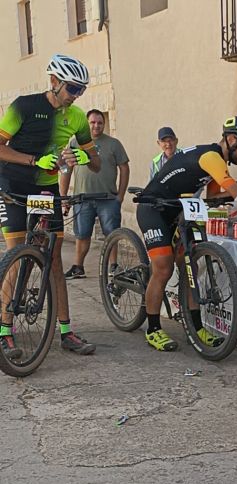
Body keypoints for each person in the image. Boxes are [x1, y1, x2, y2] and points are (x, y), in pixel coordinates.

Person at [137, 116, 237, 352]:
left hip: (179, 210)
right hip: (153, 208)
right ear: (232, 139)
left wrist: (236, 194)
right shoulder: (211, 156)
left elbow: (214, 198)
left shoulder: (218, 163)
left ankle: (196, 327)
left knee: (189, 265)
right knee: (163, 267)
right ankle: (152, 328)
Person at [0, 54, 102, 357]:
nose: (76, 96)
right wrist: (34, 160)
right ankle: (5, 331)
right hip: (13, 185)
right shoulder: (23, 106)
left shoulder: (79, 117)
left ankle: (66, 331)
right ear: (54, 82)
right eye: (72, 88)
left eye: (81, 90)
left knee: (54, 258)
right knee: (15, 258)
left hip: (44, 190)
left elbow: (95, 161)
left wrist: (85, 158)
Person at [60, 108, 129, 279]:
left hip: (107, 198)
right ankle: (78, 267)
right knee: (82, 234)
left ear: (104, 124)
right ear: (86, 123)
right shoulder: (75, 143)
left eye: (100, 122)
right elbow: (66, 170)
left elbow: (124, 168)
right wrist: (64, 198)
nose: (96, 126)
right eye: (92, 122)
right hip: (82, 198)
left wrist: (120, 195)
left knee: (111, 233)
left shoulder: (114, 144)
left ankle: (113, 266)